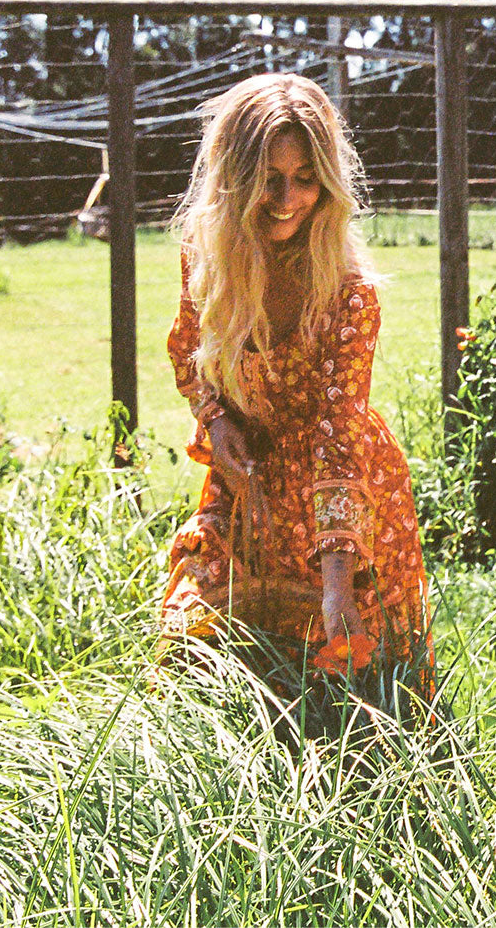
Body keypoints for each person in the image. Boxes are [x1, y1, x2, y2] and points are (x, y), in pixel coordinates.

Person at [159, 72, 432, 696]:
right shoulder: (209, 256)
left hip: (338, 494)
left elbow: (339, 435)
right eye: (269, 180)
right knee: (192, 647)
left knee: (351, 678)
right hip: (246, 481)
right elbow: (187, 353)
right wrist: (217, 421)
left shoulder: (349, 293)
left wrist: (338, 581)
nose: (286, 198)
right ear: (235, 179)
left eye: (305, 178)